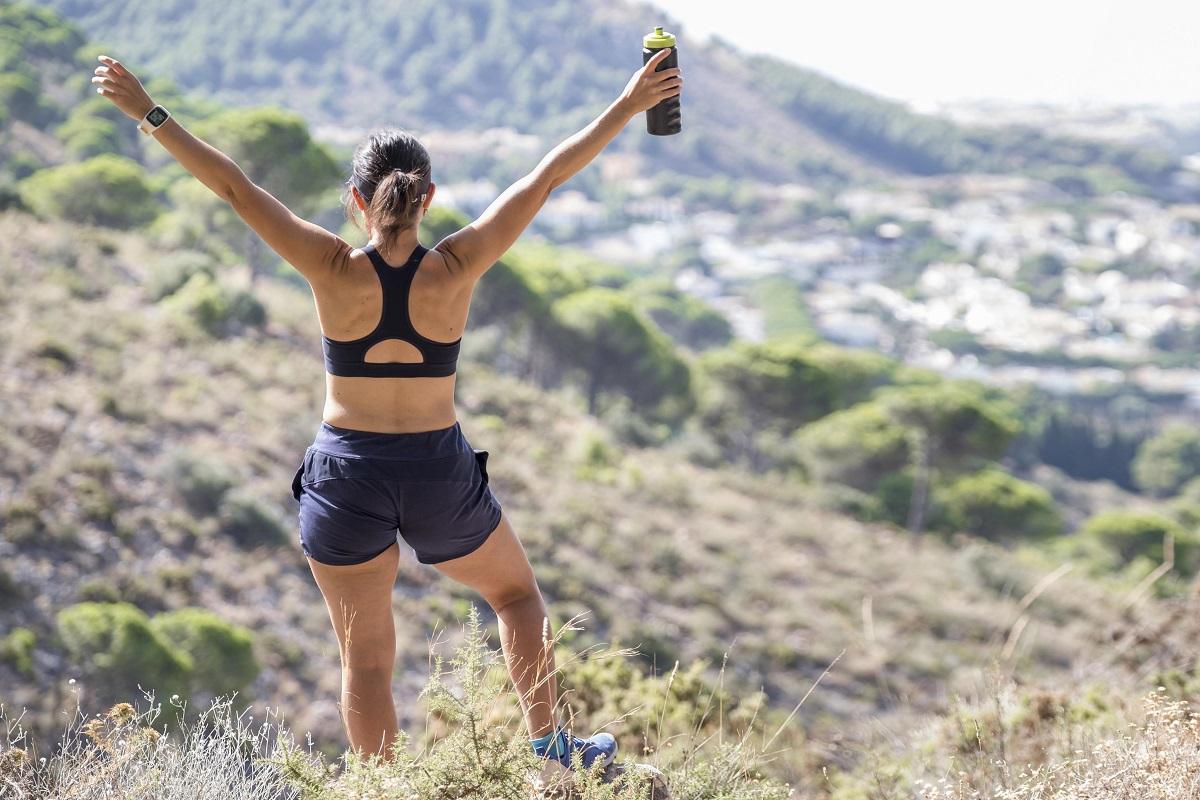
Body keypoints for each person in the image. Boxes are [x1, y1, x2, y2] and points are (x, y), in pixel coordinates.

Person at [91, 46, 683, 775]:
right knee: (517, 598)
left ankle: (382, 790)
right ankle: (554, 756)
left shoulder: (330, 265)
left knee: (365, 662)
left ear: (356, 201)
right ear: (427, 197)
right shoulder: (458, 266)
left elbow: (236, 189)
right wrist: (629, 105)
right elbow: (549, 174)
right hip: (436, 471)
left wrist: (149, 111)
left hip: (346, 475)